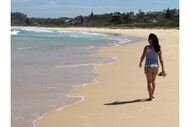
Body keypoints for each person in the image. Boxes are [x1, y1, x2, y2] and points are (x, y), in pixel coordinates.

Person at [139, 33, 165, 101]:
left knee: (149, 82)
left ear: (151, 40)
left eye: (148, 39)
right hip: (156, 66)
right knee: (153, 81)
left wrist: (140, 62)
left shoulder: (147, 47)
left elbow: (143, 56)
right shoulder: (158, 48)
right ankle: (152, 94)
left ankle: (150, 97)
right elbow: (161, 59)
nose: (148, 40)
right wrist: (163, 68)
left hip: (148, 66)